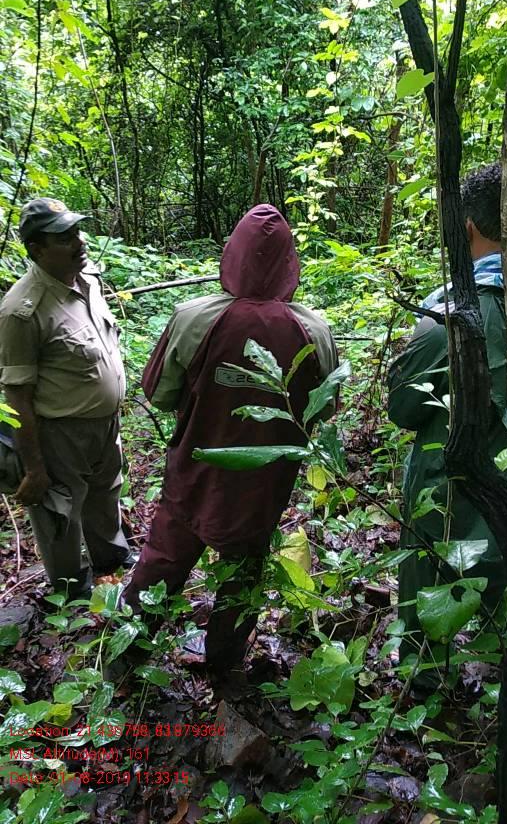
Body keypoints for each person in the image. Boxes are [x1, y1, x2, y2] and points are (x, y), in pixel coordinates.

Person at [123, 204, 338, 677]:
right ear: (290, 263)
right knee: (243, 575)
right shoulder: (315, 331)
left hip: (194, 473)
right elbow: (322, 412)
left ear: (232, 255)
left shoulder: (192, 318)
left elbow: (159, 394)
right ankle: (224, 667)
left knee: (163, 560)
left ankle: (126, 657)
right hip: (264, 487)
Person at [387, 163, 507, 686]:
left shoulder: (454, 316)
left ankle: (425, 681)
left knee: (427, 576)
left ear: (467, 227)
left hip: (449, 491)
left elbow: (402, 407)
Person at [0, 198, 132, 597]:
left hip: (104, 423)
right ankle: (70, 592)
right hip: (61, 431)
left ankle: (112, 563)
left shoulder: (88, 280)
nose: (79, 242)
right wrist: (34, 467)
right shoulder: (22, 311)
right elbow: (17, 394)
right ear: (37, 249)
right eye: (64, 237)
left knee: (105, 493)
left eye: (76, 231)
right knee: (59, 511)